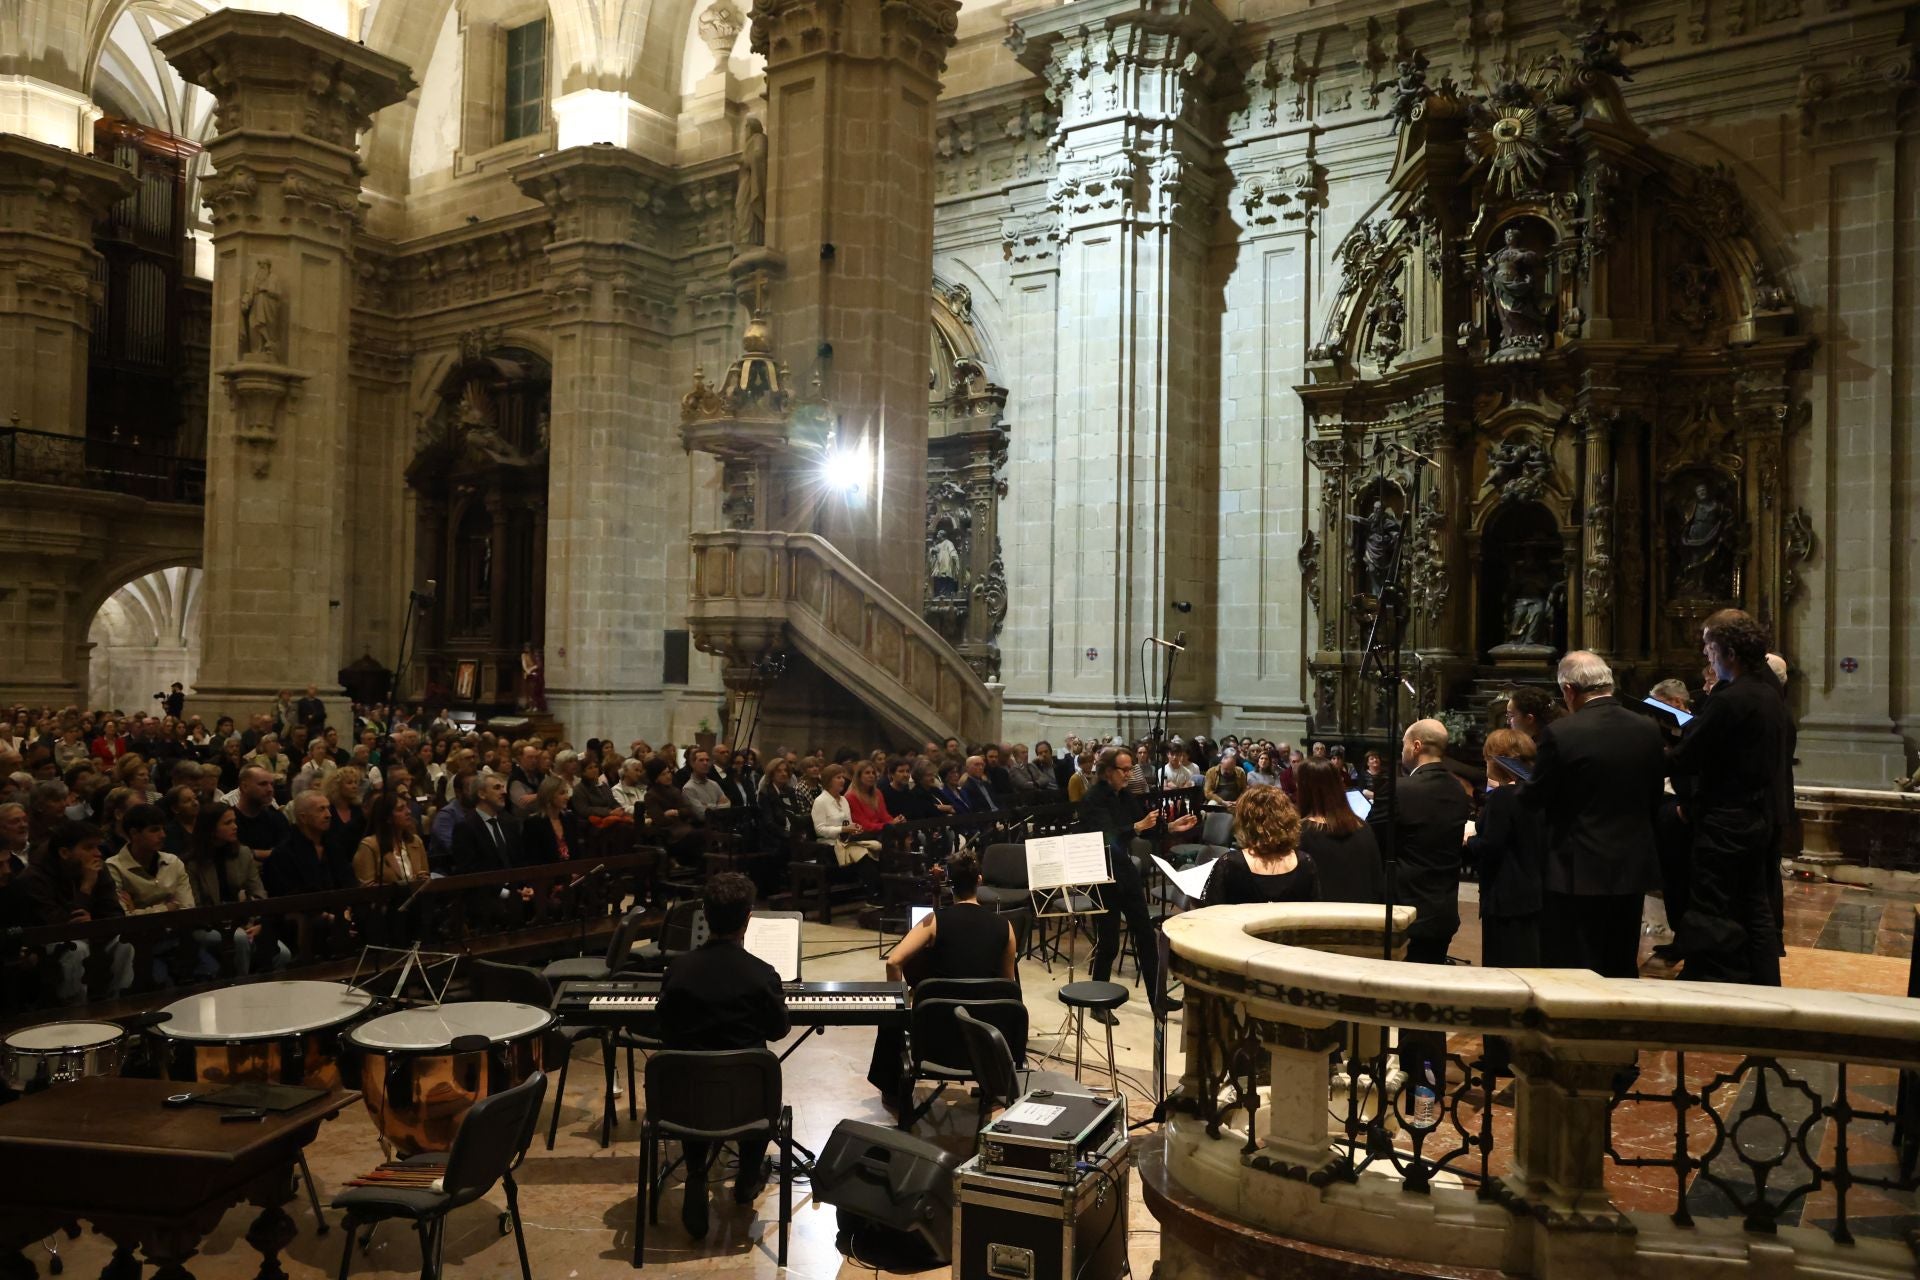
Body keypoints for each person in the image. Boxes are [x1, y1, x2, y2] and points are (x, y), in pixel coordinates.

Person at [655, 872, 790, 1239]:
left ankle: (696, 1173)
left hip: (685, 1103)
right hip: (746, 1105)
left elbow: (663, 1026)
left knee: (694, 1077)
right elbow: (778, 1030)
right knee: (755, 1084)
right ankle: (747, 1179)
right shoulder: (762, 974)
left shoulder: (679, 970)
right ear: (748, 919)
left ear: (705, 915)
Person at [1666, 610, 1793, 985]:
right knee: (1755, 905)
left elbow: (1688, 757)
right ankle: (1767, 986)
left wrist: (1647, 753)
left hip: (1725, 820)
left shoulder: (1731, 698)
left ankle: (1709, 985)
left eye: (1709, 647)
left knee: (1712, 905)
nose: (1706, 654)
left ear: (1729, 652)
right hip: (1755, 815)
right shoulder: (1768, 694)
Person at [1522, 651, 1665, 979]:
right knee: (1620, 957)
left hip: (1577, 866)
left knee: (1574, 961)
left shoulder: (1563, 733)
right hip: (1630, 863)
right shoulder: (1646, 728)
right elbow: (1653, 796)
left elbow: (1536, 798)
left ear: (1569, 690)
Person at [869, 850, 1019, 1104]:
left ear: (950, 884)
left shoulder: (934, 921)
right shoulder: (1005, 927)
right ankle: (992, 1081)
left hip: (935, 1038)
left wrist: (901, 1003)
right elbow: (1008, 989)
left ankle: (893, 1093)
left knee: (893, 1011)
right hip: (982, 1038)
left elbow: (894, 962)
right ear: (979, 881)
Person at [1077, 746, 1197, 1021]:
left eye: (1131, 768)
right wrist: (1136, 828)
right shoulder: (1093, 799)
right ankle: (1098, 1003)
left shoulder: (1126, 796)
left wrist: (1170, 827)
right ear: (1108, 772)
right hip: (1103, 874)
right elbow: (1105, 836)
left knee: (1145, 935)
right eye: (1124, 769)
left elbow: (1145, 825)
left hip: (1126, 872)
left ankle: (1158, 997)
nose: (1129, 774)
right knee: (1108, 942)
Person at [1390, 719, 1471, 1081]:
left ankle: (1419, 1080)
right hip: (1443, 906)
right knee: (1428, 998)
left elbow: (1384, 845)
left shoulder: (1403, 791)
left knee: (1411, 1001)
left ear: (1417, 746)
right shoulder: (1457, 791)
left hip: (1409, 907)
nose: (1404, 750)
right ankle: (1429, 1075)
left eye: (1406, 744)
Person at [18, 821, 135, 1003]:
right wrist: (86, 888)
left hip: (93, 934)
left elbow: (114, 914)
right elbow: (54, 923)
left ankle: (117, 1003)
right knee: (75, 948)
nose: (97, 853)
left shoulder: (98, 868)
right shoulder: (34, 878)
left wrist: (92, 923)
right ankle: (74, 1010)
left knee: (125, 943)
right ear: (65, 853)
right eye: (89, 848)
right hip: (46, 943)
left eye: (98, 846)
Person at [187, 801, 288, 974]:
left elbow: (258, 893)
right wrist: (231, 925)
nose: (235, 827)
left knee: (284, 954)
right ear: (211, 828)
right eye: (227, 823)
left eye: (234, 821)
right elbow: (195, 907)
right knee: (240, 939)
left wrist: (257, 923)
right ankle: (240, 986)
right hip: (209, 926)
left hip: (244, 921)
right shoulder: (193, 863)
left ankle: (264, 992)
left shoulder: (243, 853)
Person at [1202, 786, 1318, 904]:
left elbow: (1211, 914)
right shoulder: (1306, 863)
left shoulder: (1229, 864)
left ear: (1244, 822)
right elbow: (1316, 915)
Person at [1293, 758, 1384, 903]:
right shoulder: (1363, 827)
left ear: (1303, 788)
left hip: (1319, 920)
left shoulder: (1298, 832)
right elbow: (1377, 883)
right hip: (1364, 917)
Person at [811, 765, 880, 895]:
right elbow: (819, 830)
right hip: (829, 847)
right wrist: (842, 829)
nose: (842, 780)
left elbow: (848, 823)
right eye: (838, 777)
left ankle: (878, 891)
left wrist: (854, 828)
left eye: (843, 777)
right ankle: (872, 894)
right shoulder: (820, 801)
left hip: (846, 842)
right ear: (829, 780)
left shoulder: (843, 800)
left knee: (876, 848)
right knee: (864, 855)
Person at [352, 790, 431, 887]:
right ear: (387, 817)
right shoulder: (369, 846)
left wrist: (422, 879)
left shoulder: (415, 841)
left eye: (407, 807)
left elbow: (426, 876)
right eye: (400, 809)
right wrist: (403, 886)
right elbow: (366, 888)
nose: (408, 812)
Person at [644, 755, 704, 868]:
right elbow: (660, 820)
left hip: (684, 829)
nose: (668, 776)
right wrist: (677, 815)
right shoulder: (651, 795)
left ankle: (701, 870)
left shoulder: (675, 790)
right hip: (670, 836)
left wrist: (676, 813)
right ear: (656, 778)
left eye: (668, 772)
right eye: (663, 774)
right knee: (698, 836)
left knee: (704, 834)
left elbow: (688, 810)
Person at [521, 775, 579, 864]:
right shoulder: (533, 823)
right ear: (549, 796)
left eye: (567, 792)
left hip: (575, 873)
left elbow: (577, 852)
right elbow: (534, 859)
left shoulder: (570, 818)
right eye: (562, 793)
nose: (567, 797)